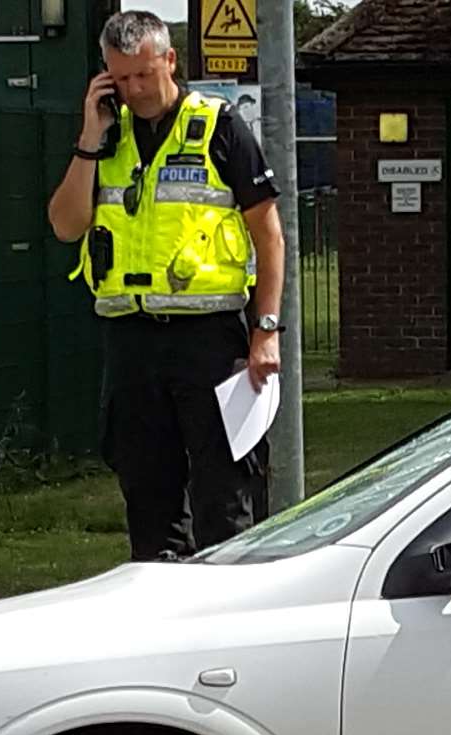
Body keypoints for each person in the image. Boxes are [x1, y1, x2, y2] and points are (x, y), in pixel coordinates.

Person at [47, 10, 286, 561]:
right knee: (148, 496)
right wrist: (89, 139)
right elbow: (64, 225)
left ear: (170, 60)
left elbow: (269, 235)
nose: (134, 90)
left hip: (211, 341)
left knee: (226, 496)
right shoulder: (107, 139)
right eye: (121, 78)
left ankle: (236, 617)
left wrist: (266, 329)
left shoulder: (219, 125)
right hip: (131, 341)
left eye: (143, 75)